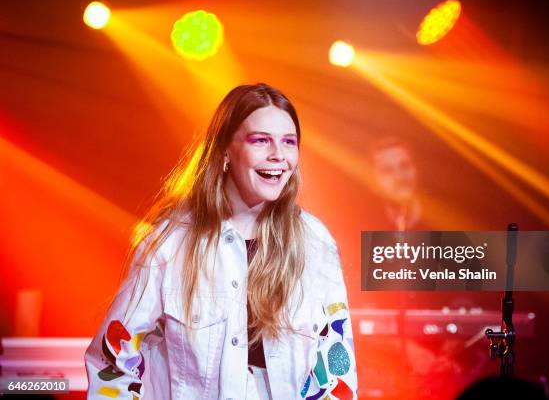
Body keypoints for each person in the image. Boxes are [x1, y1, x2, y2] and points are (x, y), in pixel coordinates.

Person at [84, 83, 357, 400]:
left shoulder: (314, 242)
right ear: (226, 149)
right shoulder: (171, 242)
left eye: (289, 142)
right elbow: (113, 359)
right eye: (261, 141)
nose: (278, 155)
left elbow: (337, 368)